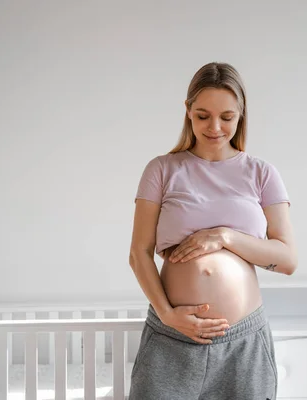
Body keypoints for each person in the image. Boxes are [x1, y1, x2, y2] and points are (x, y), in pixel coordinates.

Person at [127, 62, 297, 400]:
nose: (215, 127)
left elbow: (287, 259)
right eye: (203, 115)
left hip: (243, 343)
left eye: (227, 117)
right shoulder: (162, 169)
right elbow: (139, 253)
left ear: (241, 114)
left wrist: (225, 236)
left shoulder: (261, 173)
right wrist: (167, 314)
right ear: (188, 110)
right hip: (171, 336)